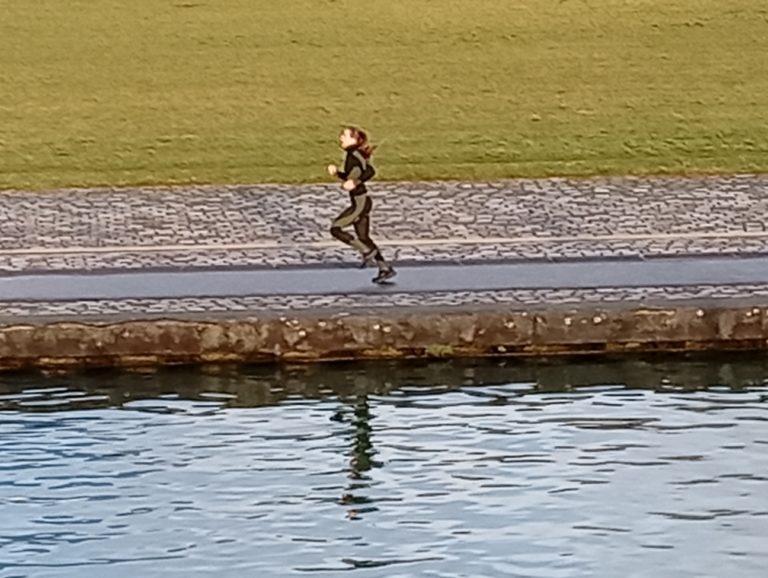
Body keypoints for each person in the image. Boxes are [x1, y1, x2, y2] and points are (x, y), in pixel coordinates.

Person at [327, 126, 396, 284]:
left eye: (344, 135)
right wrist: (338, 174)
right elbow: (351, 177)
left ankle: (366, 251)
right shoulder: (352, 155)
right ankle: (385, 268)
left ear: (354, 139)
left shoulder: (354, 155)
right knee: (364, 237)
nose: (340, 138)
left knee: (336, 229)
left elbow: (370, 172)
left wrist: (356, 182)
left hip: (360, 202)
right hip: (362, 201)